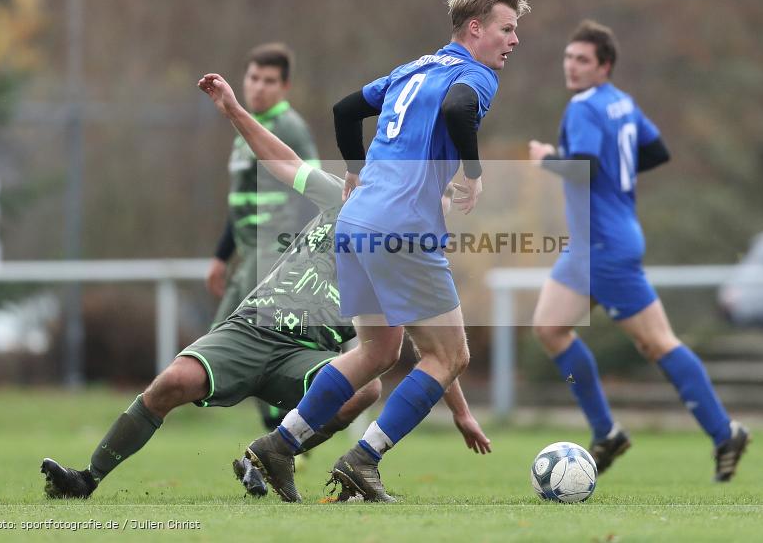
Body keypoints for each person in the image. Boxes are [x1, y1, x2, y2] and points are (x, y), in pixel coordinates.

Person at [39, 73, 490, 503]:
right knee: (172, 382)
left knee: (366, 389)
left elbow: (430, 347)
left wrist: (461, 411)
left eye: (441, 199)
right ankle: (87, 477)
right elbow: (284, 162)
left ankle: (276, 454)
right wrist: (234, 110)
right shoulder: (344, 196)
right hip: (254, 328)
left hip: (305, 354)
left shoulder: (412, 255)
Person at [242, 0, 530, 503]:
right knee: (451, 356)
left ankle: (279, 445)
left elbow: (344, 110)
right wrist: (475, 172)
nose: (513, 40)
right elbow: (460, 109)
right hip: (402, 229)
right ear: (474, 29)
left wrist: (355, 171)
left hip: (355, 224)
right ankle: (363, 459)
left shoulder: (413, 69)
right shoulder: (476, 74)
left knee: (378, 351)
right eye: (506, 29)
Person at [528, 19, 750, 482]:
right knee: (550, 328)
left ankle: (721, 430)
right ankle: (606, 430)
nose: (571, 67)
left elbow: (585, 165)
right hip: (600, 239)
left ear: (604, 66)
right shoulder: (622, 103)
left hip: (604, 244)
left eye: (582, 60)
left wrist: (546, 159)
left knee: (655, 342)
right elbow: (657, 151)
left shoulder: (585, 106)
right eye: (568, 58)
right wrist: (614, 176)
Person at [205, 43, 319, 432]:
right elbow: (241, 203)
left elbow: (314, 194)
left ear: (285, 87)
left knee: (226, 348)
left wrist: (301, 256)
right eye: (253, 78)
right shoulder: (245, 130)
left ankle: (286, 436)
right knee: (235, 348)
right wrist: (222, 256)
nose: (258, 88)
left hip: (275, 251)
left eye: (269, 81)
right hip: (250, 251)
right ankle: (284, 437)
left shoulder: (289, 129)